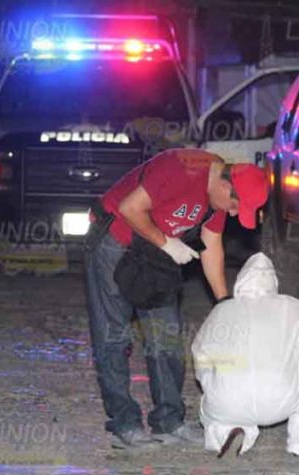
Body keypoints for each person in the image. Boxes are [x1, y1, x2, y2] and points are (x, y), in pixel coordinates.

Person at [84, 148, 268, 450]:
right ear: (225, 187)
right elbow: (131, 208)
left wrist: (224, 304)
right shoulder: (183, 169)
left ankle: (169, 421)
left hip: (155, 252)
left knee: (166, 336)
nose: (234, 214)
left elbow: (212, 246)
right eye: (236, 206)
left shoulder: (218, 197)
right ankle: (125, 424)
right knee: (113, 337)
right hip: (115, 242)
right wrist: (167, 242)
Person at [192, 252, 299, 458]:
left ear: (240, 282)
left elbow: (201, 357)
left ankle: (225, 431)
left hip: (229, 401)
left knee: (215, 389)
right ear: (273, 282)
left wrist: (213, 380)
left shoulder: (222, 311)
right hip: (282, 399)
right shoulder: (295, 308)